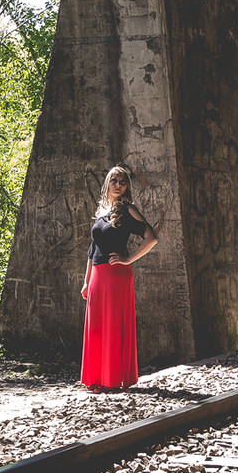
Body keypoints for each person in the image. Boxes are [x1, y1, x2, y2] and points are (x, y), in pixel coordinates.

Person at [80, 165, 159, 392]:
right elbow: (92, 248)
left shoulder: (128, 210)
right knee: (96, 328)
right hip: (97, 276)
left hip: (116, 276)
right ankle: (96, 378)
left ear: (127, 186)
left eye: (122, 181)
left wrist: (128, 259)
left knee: (113, 327)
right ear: (107, 183)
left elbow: (151, 237)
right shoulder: (103, 209)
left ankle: (112, 380)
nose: (118, 184)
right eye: (114, 180)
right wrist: (86, 280)